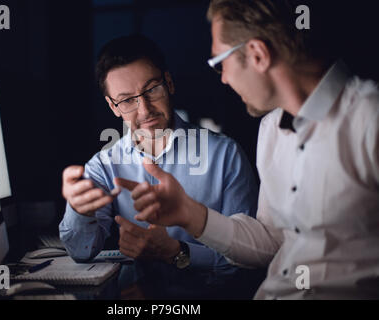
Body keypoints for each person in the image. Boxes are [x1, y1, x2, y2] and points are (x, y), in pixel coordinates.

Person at [116, 0, 379, 299]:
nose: (224, 79)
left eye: (220, 63)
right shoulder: (271, 130)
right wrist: (190, 214)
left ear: (257, 54)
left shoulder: (369, 118)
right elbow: (272, 241)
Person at [59, 34, 261, 297]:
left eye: (152, 89)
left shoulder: (225, 156)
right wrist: (79, 210)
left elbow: (250, 261)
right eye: (127, 100)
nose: (144, 110)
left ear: (169, 83)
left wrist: (176, 252)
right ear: (113, 107)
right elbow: (81, 253)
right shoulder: (103, 166)